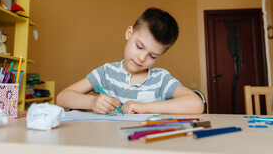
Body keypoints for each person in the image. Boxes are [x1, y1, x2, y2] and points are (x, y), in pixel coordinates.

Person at [56, 8, 204, 114]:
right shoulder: (106, 73)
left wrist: (145, 107)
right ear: (129, 33)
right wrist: (91, 102)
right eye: (139, 46)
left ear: (162, 54)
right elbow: (62, 97)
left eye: (152, 56)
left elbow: (196, 104)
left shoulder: (161, 79)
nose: (142, 58)